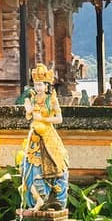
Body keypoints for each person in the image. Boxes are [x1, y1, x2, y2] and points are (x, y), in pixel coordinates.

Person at [18, 63, 69, 211]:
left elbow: (59, 119)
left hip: (48, 136)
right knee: (27, 168)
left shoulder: (51, 99)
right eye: (36, 84)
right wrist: (28, 108)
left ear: (46, 85)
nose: (38, 87)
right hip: (34, 137)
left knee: (52, 165)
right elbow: (29, 117)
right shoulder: (33, 99)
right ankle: (37, 200)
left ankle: (50, 197)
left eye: (40, 84)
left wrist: (43, 119)